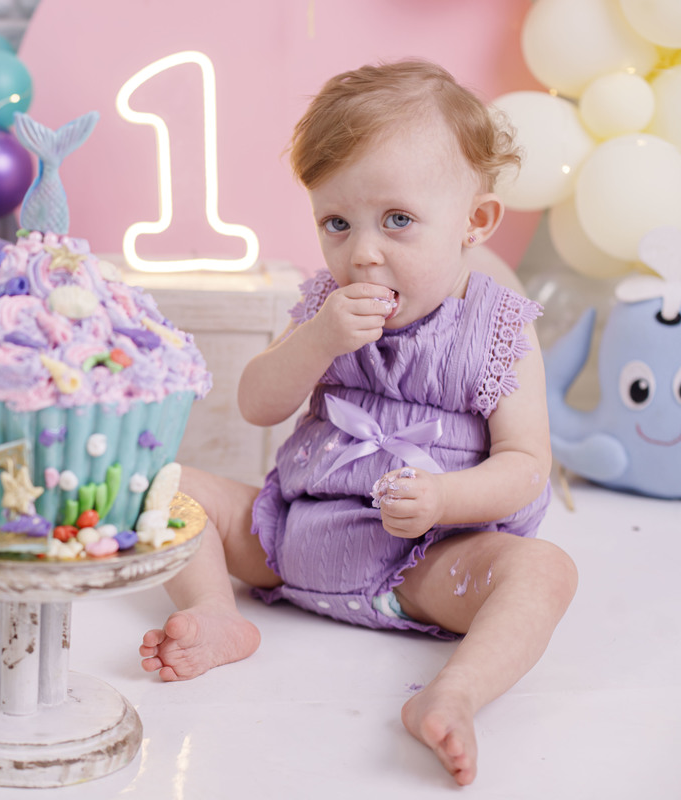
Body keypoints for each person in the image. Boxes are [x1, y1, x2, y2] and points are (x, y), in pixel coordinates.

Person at [138, 60, 578, 787]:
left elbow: (526, 465)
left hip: (427, 562)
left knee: (544, 572)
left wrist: (444, 500)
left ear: (475, 222)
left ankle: (454, 693)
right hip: (289, 538)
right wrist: (316, 342)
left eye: (397, 220)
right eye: (336, 224)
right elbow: (257, 403)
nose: (363, 252)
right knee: (170, 487)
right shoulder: (324, 307)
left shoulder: (499, 328)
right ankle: (218, 613)